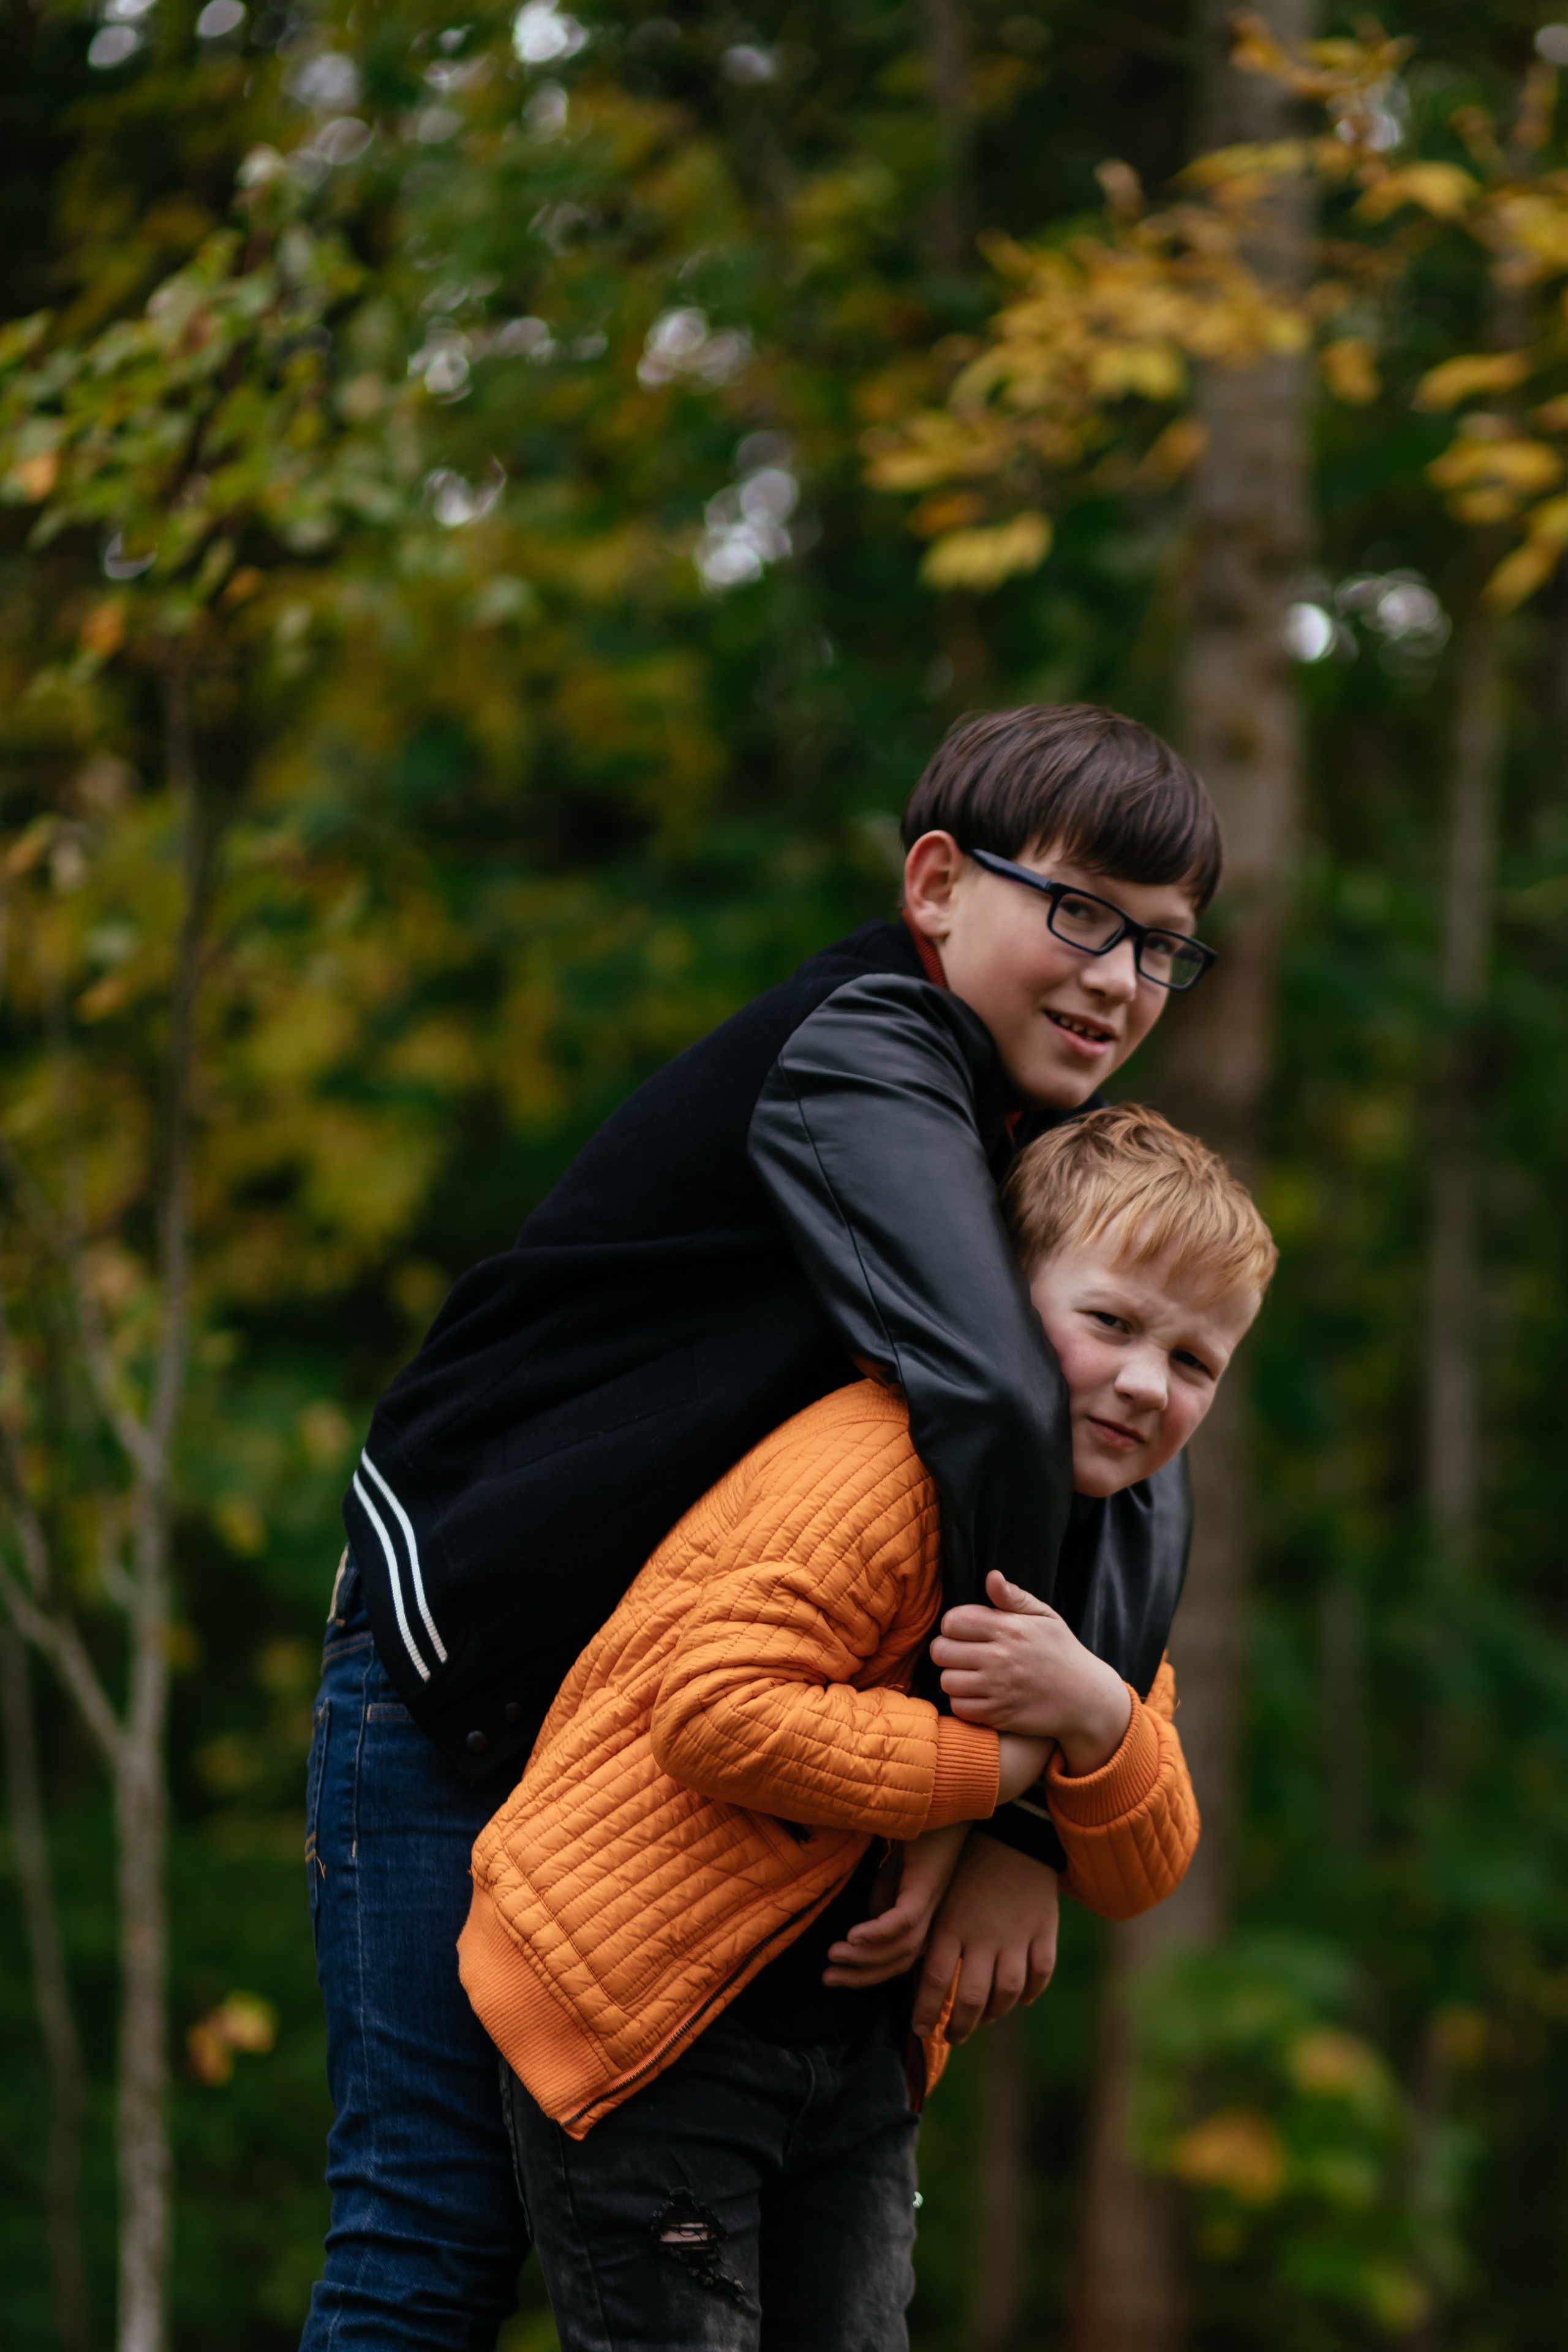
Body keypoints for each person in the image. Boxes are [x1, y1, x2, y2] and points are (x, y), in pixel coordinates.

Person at [303, 705, 1223, 2348]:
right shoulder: (867, 1048)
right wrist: (980, 1786)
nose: (1117, 979)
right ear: (937, 885)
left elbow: (1128, 1465)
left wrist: (1018, 1837)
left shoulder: (1034, 1140)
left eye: (1163, 947)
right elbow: (1003, 1396)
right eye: (1080, 912)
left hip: (669, 1715)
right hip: (469, 1649)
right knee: (429, 2235)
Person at [461, 1106, 1276, 2351]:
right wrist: (993, 1770)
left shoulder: (1103, 1554)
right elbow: (712, 1712)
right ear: (994, 1301)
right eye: (1109, 1323)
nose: (1141, 1383)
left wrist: (1097, 1714)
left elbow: (1140, 1866)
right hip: (651, 2009)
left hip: (844, 2054)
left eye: (1192, 1362)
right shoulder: (875, 1462)